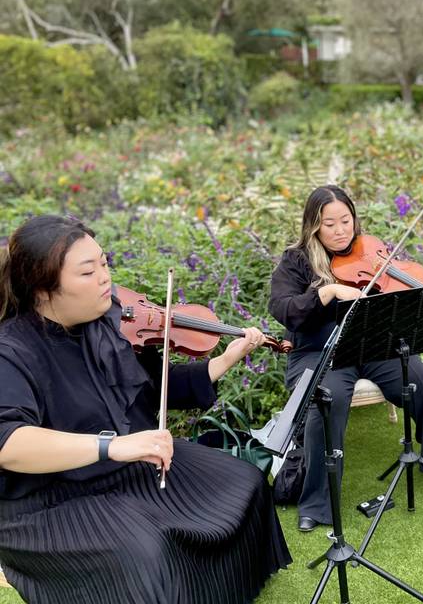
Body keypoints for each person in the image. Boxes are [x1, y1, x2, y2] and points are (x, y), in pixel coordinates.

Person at [0, 215, 291, 603]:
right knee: (146, 551)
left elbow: (152, 390)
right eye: (88, 272)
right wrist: (112, 446)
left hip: (126, 469)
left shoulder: (105, 323)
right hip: (51, 498)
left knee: (245, 482)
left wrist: (224, 360)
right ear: (42, 287)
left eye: (104, 263)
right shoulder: (12, 351)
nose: (106, 278)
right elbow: (10, 443)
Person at [269, 185, 423, 533]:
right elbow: (283, 309)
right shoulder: (295, 261)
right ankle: (316, 503)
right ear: (313, 225)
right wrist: (326, 291)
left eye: (346, 221)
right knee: (327, 401)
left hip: (372, 345)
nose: (341, 231)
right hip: (320, 353)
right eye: (330, 224)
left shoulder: (369, 251)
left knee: (420, 378)